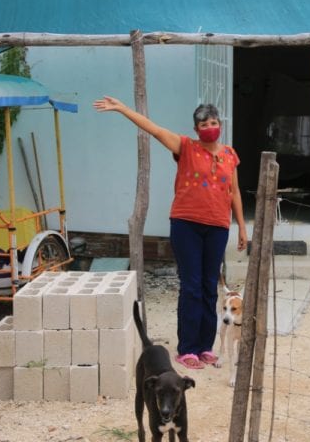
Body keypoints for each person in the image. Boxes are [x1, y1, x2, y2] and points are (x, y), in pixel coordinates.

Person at [93, 96, 248, 370]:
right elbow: (154, 130)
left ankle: (205, 347)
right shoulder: (186, 147)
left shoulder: (229, 155)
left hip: (218, 227)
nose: (209, 127)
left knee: (209, 288)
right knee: (191, 286)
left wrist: (242, 227)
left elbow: (233, 191)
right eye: (203, 124)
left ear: (219, 124)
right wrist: (123, 109)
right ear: (196, 128)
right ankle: (187, 348)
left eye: (213, 122)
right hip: (186, 225)